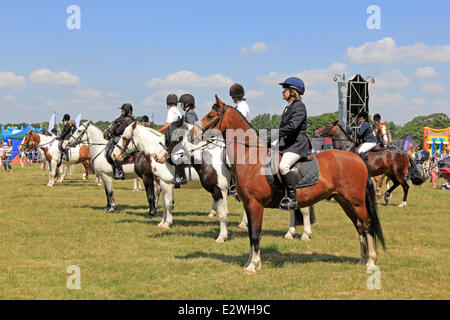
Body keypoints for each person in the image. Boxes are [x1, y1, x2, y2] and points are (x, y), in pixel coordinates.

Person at [278, 77, 310, 211]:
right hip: (287, 143)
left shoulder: (299, 106)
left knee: (283, 166)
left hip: (297, 145)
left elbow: (292, 126)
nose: (283, 92)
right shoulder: (288, 107)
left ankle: (293, 199)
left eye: (285, 89)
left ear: (293, 92)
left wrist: (275, 133)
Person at [228, 83, 251, 196]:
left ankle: (236, 184)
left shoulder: (241, 106)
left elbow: (237, 123)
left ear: (234, 96)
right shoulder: (240, 105)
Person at [104, 103, 136, 180]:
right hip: (116, 138)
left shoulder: (130, 120)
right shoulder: (120, 118)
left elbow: (129, 133)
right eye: (121, 110)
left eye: (123, 110)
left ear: (128, 111)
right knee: (108, 151)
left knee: (114, 154)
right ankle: (114, 170)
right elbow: (114, 127)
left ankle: (121, 171)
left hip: (124, 140)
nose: (122, 111)